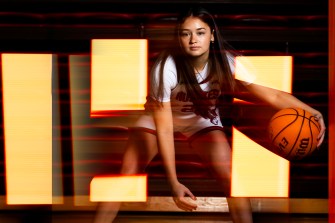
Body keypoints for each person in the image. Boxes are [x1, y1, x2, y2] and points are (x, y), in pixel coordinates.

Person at [93, 6, 326, 223]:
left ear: (212, 35)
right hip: (158, 119)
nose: (193, 40)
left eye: (200, 32)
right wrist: (174, 182)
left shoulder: (228, 63)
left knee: (234, 180)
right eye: (186, 34)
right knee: (126, 172)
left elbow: (272, 97)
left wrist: (311, 111)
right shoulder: (166, 68)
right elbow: (164, 127)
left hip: (199, 119)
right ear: (179, 39)